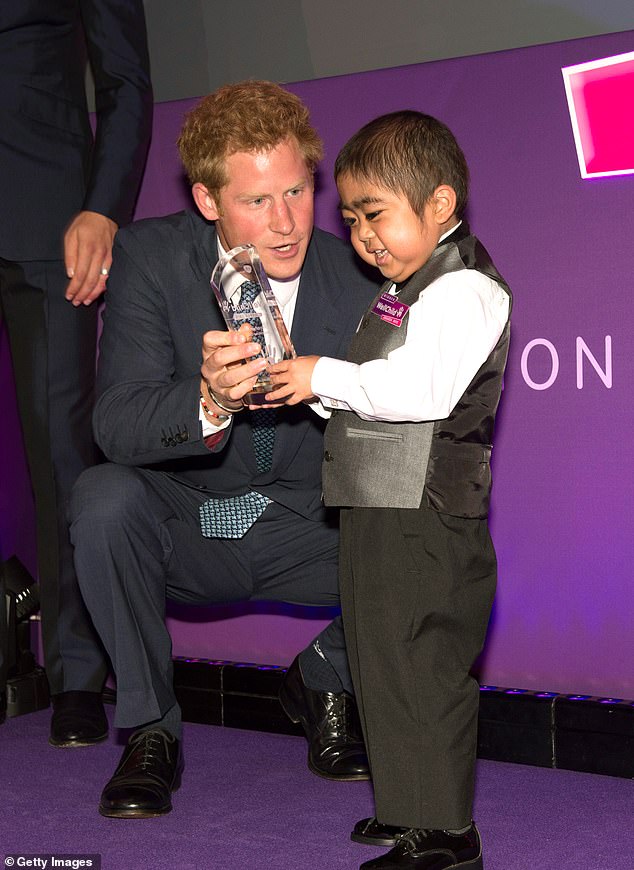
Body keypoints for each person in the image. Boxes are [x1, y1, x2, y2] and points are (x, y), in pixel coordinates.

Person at [69, 80, 378, 818]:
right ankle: (150, 731)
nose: (285, 223)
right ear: (209, 201)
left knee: (445, 547)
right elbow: (114, 423)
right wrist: (208, 401)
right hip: (188, 522)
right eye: (256, 201)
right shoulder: (149, 256)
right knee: (102, 497)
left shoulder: (359, 273)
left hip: (308, 524)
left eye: (299, 192)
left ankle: (325, 677)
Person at [267, 110, 511, 869]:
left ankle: (447, 831)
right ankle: (406, 807)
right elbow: (368, 397)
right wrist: (296, 384)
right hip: (377, 503)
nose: (361, 232)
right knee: (380, 659)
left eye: (375, 213)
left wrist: (321, 374)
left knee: (422, 658)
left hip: (428, 513)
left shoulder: (463, 288)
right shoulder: (401, 292)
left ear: (439, 204)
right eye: (350, 217)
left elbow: (420, 391)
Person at [0, 3, 152, 743]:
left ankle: (78, 672)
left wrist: (103, 207)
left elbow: (124, 76)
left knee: (63, 452)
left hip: (49, 214)